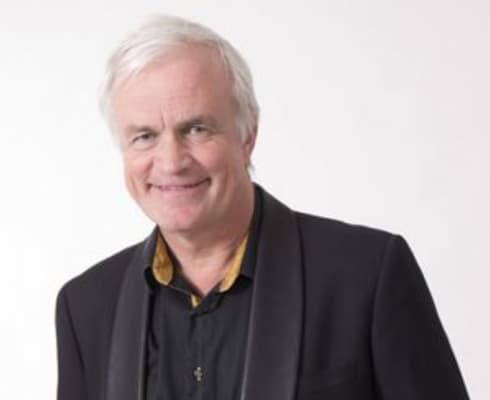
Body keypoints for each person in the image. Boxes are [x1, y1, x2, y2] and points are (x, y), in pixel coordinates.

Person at [55, 15, 470, 400]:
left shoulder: (368, 276)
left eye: (196, 129)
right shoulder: (86, 308)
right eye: (144, 136)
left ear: (247, 135)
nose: (171, 162)